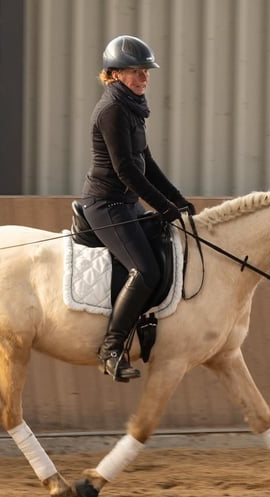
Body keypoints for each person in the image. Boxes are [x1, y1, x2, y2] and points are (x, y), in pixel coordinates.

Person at [80, 35, 195, 383]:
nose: (144, 78)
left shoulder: (132, 108)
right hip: (106, 204)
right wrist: (162, 207)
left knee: (164, 249)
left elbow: (146, 162)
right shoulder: (112, 110)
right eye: (135, 72)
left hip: (126, 203)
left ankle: (146, 323)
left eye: (146, 71)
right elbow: (126, 171)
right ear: (114, 75)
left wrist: (179, 201)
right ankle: (111, 349)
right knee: (145, 270)